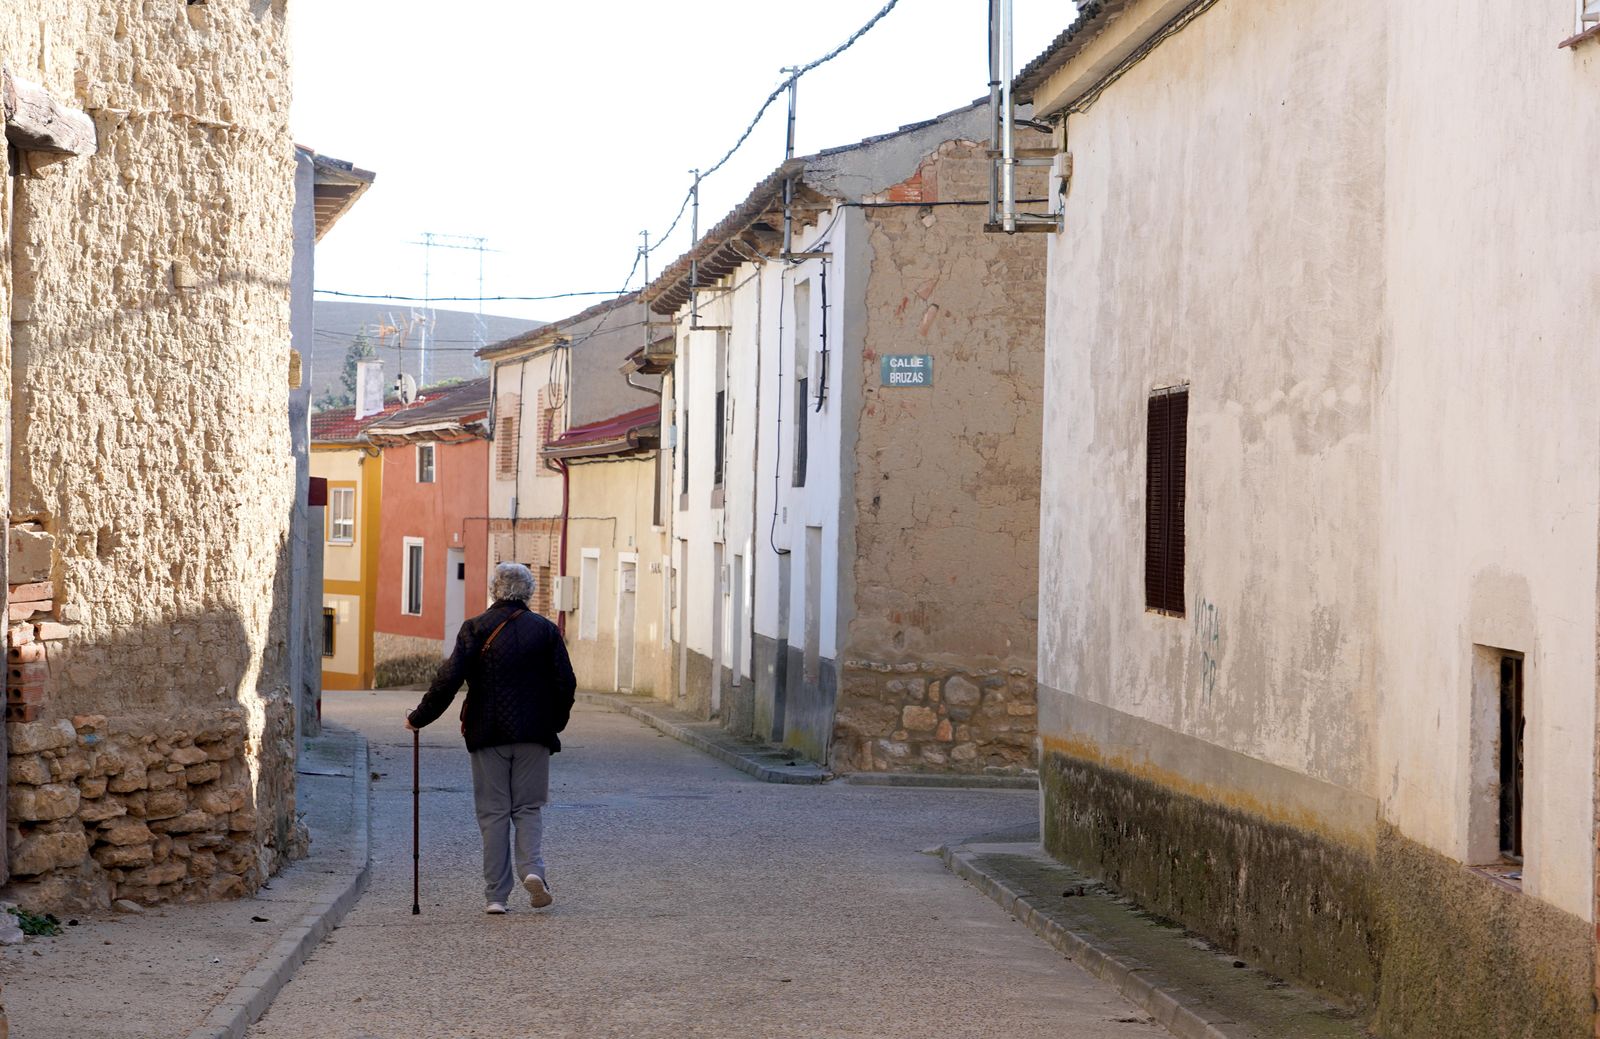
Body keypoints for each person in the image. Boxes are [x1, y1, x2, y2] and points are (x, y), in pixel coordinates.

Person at [405, 562, 576, 914]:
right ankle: (532, 871)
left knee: (494, 813)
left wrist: (420, 717)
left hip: (488, 733)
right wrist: (553, 723)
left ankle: (496, 896)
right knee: (527, 808)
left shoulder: (475, 629)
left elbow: (449, 679)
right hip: (534, 735)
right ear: (528, 592)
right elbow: (566, 683)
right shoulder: (545, 631)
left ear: (494, 590)